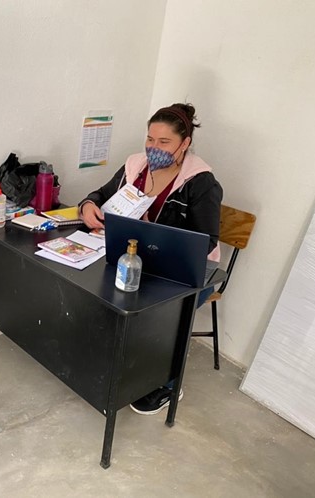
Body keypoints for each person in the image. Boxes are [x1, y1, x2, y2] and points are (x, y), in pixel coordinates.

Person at [79, 103, 222, 415]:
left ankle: (167, 384)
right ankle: (120, 363)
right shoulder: (135, 166)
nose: (153, 148)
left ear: (185, 144)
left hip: (185, 272)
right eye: (150, 139)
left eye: (164, 142)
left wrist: (154, 238)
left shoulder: (200, 183)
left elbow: (206, 241)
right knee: (97, 292)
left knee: (161, 316)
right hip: (135, 260)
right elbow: (101, 195)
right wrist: (88, 204)